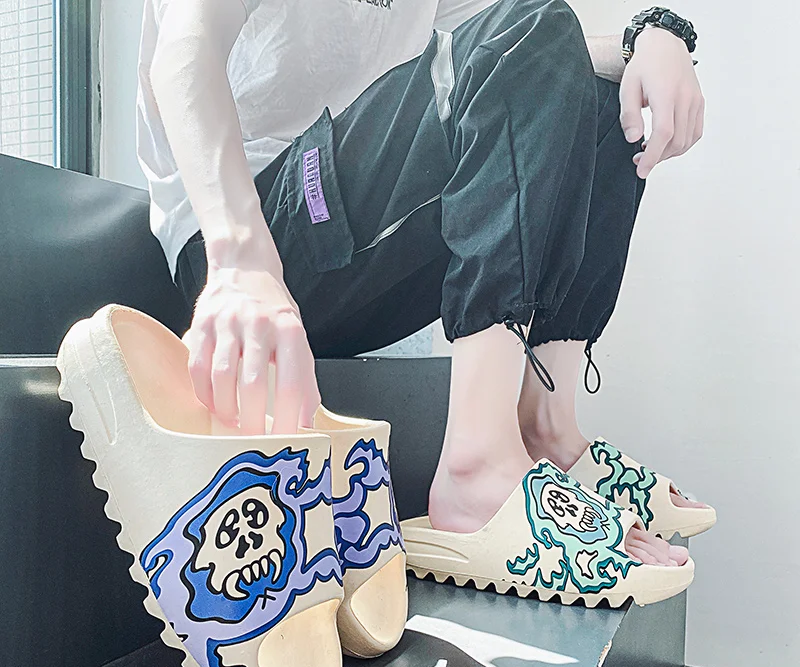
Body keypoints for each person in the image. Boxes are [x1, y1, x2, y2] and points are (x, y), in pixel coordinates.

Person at [137, 0, 708, 569]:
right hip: (252, 229)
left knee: (606, 96)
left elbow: (534, 50)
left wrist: (647, 43)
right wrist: (241, 261)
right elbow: (181, 54)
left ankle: (546, 429)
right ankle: (476, 468)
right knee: (535, 31)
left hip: (356, 251)